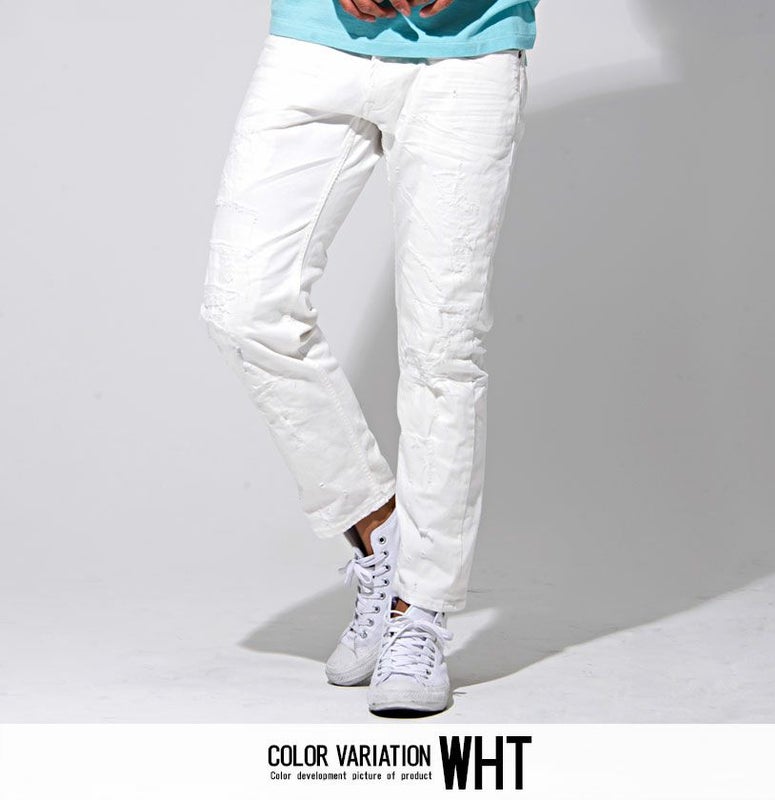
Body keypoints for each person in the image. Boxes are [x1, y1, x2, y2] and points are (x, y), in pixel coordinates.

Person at [199, 0, 540, 715]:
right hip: (319, 38)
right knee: (245, 307)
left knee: (442, 348)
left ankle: (419, 612)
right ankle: (382, 533)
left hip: (470, 49)